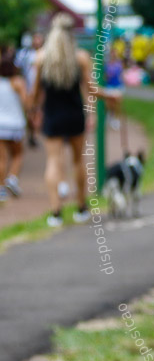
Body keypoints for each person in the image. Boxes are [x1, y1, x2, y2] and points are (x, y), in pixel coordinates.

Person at [32, 14, 99, 227]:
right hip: (74, 114)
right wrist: (93, 113)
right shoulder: (80, 58)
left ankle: (56, 212)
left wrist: (33, 110)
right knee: (78, 160)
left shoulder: (41, 58)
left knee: (53, 161)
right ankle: (81, 207)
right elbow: (90, 90)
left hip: (52, 115)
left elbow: (36, 92)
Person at [0, 52, 29, 202]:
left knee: (2, 158)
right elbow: (26, 102)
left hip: (1, 125)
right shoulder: (17, 82)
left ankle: (1, 188)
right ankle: (12, 177)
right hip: (15, 125)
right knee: (18, 154)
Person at [14, 32, 42, 148]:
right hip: (28, 88)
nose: (36, 41)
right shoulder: (24, 54)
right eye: (35, 39)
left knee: (38, 111)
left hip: (40, 89)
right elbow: (17, 68)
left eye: (38, 39)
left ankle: (34, 135)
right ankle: (32, 133)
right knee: (29, 112)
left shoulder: (44, 54)